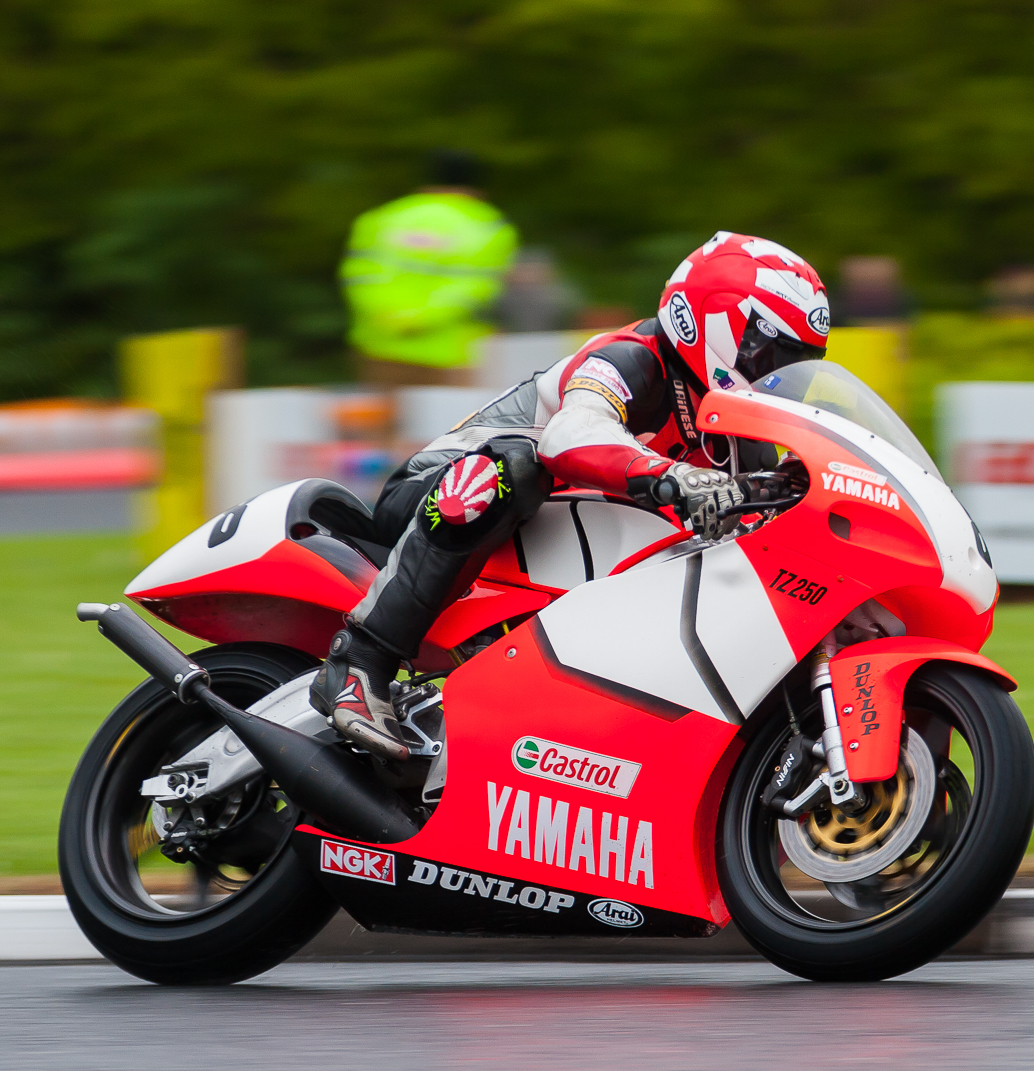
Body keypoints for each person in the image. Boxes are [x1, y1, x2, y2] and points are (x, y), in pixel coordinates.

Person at [311, 231, 832, 760]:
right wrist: (675, 478)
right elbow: (569, 436)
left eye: (799, 364)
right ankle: (360, 662)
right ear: (708, 320)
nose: (780, 376)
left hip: (551, 549)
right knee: (510, 469)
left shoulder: (741, 435)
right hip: (436, 496)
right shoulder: (632, 358)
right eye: (771, 353)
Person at [341, 150, 519, 387]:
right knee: (458, 412)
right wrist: (419, 321)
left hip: (380, 348)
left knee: (387, 411)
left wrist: (393, 319)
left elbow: (361, 276)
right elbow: (477, 288)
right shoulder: (488, 225)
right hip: (457, 355)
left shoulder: (382, 218)